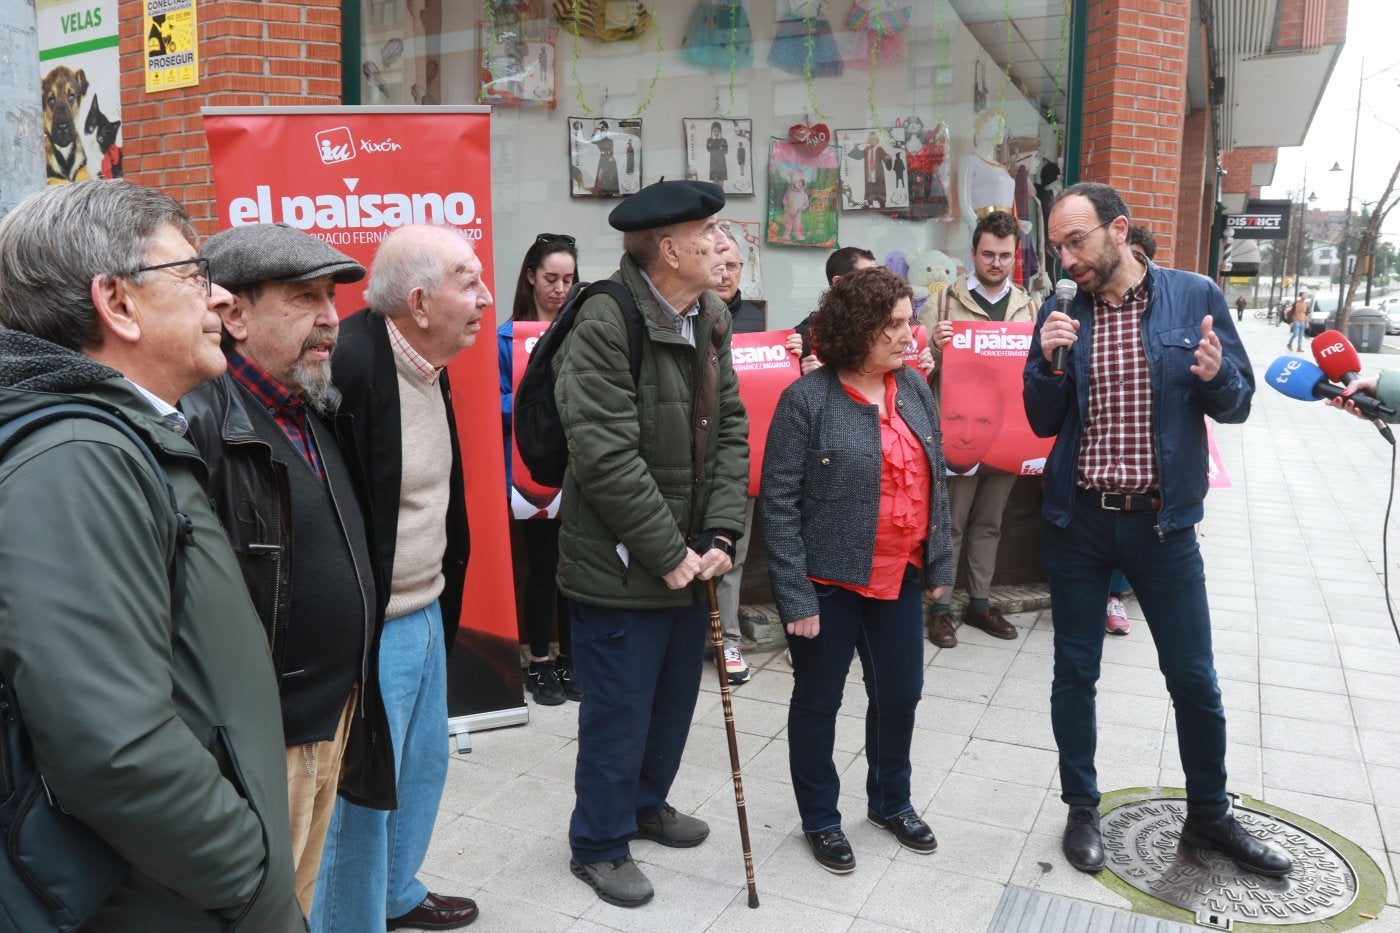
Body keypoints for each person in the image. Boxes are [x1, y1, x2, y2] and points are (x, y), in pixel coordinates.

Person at [0, 181, 304, 929]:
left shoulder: (113, 438)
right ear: (118, 303)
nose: (219, 299)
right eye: (195, 275)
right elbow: (112, 748)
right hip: (163, 901)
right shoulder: (78, 456)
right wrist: (251, 885)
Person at [1026, 182, 1291, 879]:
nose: (1066, 257)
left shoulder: (1193, 295)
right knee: (1074, 671)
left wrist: (1214, 377)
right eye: (1057, 244)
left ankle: (1209, 812)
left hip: (1163, 526)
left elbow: (1238, 401)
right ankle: (1082, 807)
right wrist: (1050, 362)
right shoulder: (1059, 311)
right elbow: (1040, 419)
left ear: (1118, 230)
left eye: (1076, 241)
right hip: (1078, 522)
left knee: (1194, 677)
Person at [183, 224, 388, 916]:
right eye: (304, 298)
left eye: (331, 297)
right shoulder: (201, 422)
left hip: (329, 715)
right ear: (233, 313)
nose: (331, 317)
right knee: (263, 908)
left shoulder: (306, 401)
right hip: (268, 736)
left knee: (296, 898)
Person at [555, 179, 749, 908]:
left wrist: (721, 532)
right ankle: (598, 842)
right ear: (669, 248)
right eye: (709, 233)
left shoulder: (711, 315)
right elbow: (603, 455)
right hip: (622, 563)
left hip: (688, 554)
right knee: (618, 707)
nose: (721, 245)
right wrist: (669, 551)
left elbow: (731, 427)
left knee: (670, 700)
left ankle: (644, 803)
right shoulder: (606, 318)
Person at [312, 225, 491, 932]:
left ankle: (395, 893)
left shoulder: (426, 359)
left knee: (419, 772)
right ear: (419, 301)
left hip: (425, 608)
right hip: (372, 625)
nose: (484, 296)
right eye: (467, 281)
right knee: (362, 799)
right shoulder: (351, 365)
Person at [761, 266, 953, 874]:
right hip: (829, 583)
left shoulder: (916, 388)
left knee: (901, 694)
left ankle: (890, 801)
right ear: (857, 329)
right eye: (894, 325)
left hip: (900, 575)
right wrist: (795, 597)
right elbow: (779, 502)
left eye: (909, 321)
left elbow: (935, 482)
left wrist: (940, 560)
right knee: (818, 702)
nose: (909, 334)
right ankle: (820, 817)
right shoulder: (805, 400)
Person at [924, 210, 1036, 648]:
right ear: (972, 254)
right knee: (949, 522)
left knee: (991, 521)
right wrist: (932, 345)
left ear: (1014, 257)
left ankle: (980, 602)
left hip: (1005, 433)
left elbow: (1036, 370)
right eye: (988, 254)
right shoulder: (944, 302)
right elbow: (916, 365)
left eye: (1004, 256)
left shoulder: (1028, 305)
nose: (996, 263)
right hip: (956, 431)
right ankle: (940, 608)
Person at [499, 232, 582, 705]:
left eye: (568, 279)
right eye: (550, 278)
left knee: (577, 566)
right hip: (529, 470)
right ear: (530, 277)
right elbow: (490, 399)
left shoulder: (583, 329)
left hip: (581, 465)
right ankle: (540, 662)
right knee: (542, 567)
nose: (559, 288)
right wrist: (534, 402)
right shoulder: (507, 338)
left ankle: (572, 658)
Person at [713, 229, 766, 684]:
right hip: (686, 460)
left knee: (733, 551)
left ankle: (729, 642)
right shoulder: (680, 315)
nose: (725, 273)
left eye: (733, 266)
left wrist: (795, 361)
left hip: (740, 458)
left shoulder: (755, 320)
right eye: (718, 263)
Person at [786, 246, 879, 375]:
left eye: (880, 275)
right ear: (839, 282)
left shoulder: (888, 324)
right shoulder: (806, 335)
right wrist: (801, 375)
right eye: (868, 277)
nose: (879, 283)